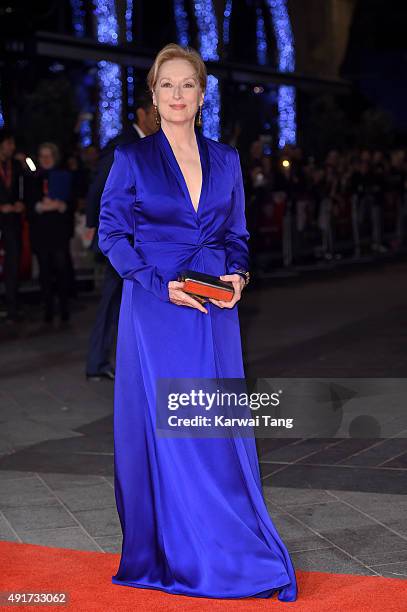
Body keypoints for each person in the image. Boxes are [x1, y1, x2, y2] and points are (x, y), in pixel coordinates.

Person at [98, 43, 298, 601]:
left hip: (214, 307)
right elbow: (111, 234)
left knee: (217, 427)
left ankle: (233, 541)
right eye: (167, 85)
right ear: (154, 96)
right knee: (178, 429)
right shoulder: (132, 160)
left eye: (188, 85)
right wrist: (158, 283)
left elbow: (237, 235)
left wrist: (239, 276)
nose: (178, 95)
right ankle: (194, 555)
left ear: (202, 95)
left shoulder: (226, 160)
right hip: (158, 305)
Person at [85, 93, 157, 381]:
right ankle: (97, 361)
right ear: (141, 113)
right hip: (120, 241)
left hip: (139, 240)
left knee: (120, 299)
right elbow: (98, 188)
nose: (159, 118)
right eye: (154, 112)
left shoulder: (148, 145)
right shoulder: (123, 144)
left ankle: (107, 361)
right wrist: (95, 227)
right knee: (112, 298)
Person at [26, 142, 73, 323]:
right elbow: (29, 205)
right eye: (42, 156)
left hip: (59, 231)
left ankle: (64, 308)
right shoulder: (32, 178)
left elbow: (72, 202)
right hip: (40, 232)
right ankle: (48, 309)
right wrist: (40, 206)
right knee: (44, 271)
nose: (45, 159)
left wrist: (60, 205)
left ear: (54, 157)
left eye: (49, 156)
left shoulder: (64, 176)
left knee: (61, 269)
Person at [0, 129, 25, 322]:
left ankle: (12, 305)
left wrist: (20, 203)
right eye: (9, 143)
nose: (12, 147)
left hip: (12, 222)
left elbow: (32, 178)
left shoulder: (16, 165)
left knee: (13, 262)